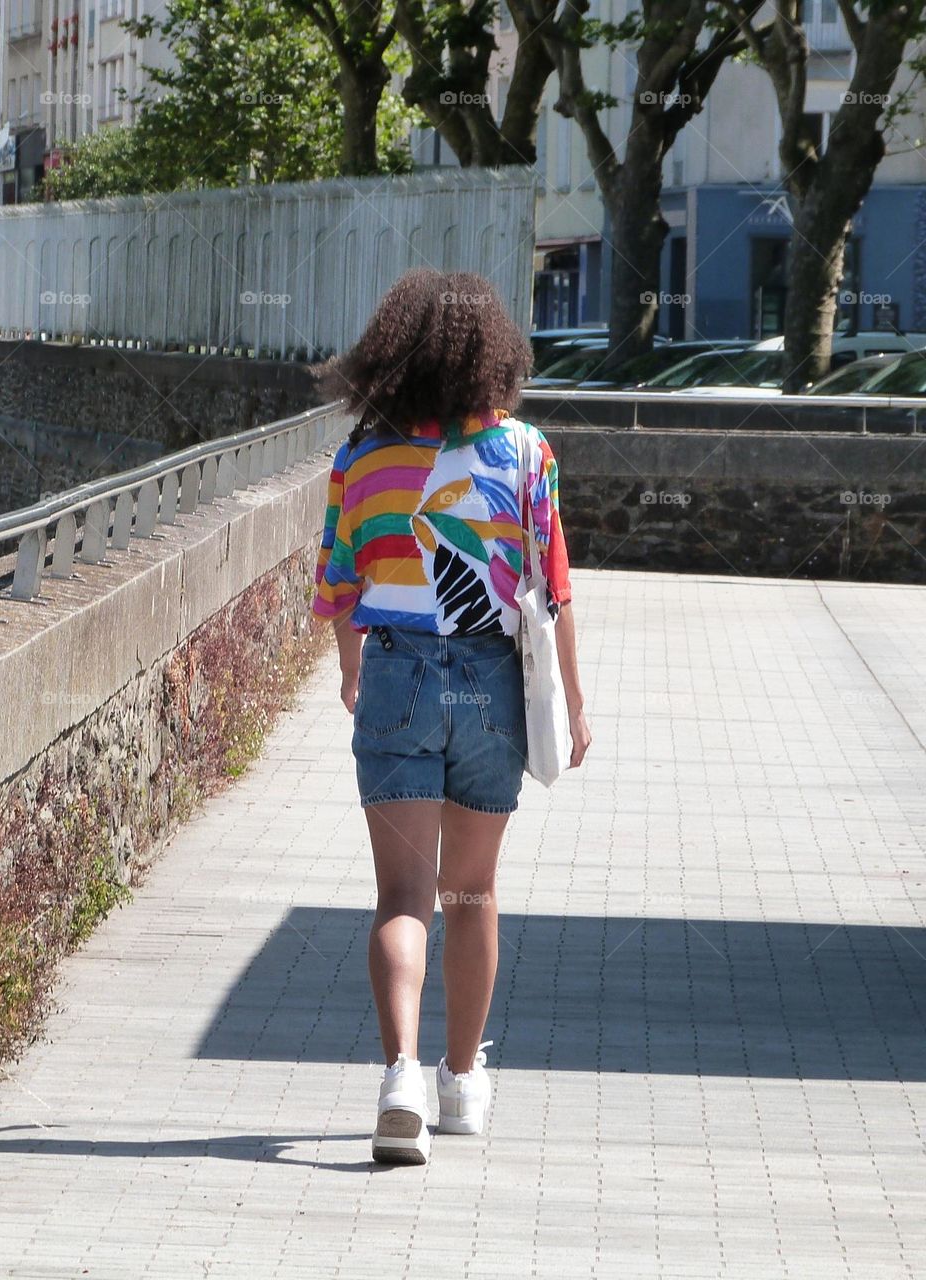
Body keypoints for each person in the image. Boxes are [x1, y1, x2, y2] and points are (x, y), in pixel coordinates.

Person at [308, 267, 591, 1165]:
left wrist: (357, 676)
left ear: (392, 352)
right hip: (489, 683)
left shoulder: (361, 457)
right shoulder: (526, 453)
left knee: (401, 896)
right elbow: (554, 592)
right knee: (470, 893)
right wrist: (576, 705)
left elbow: (339, 589)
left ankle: (400, 1077)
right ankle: (461, 1081)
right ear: (492, 352)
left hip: (397, 670)